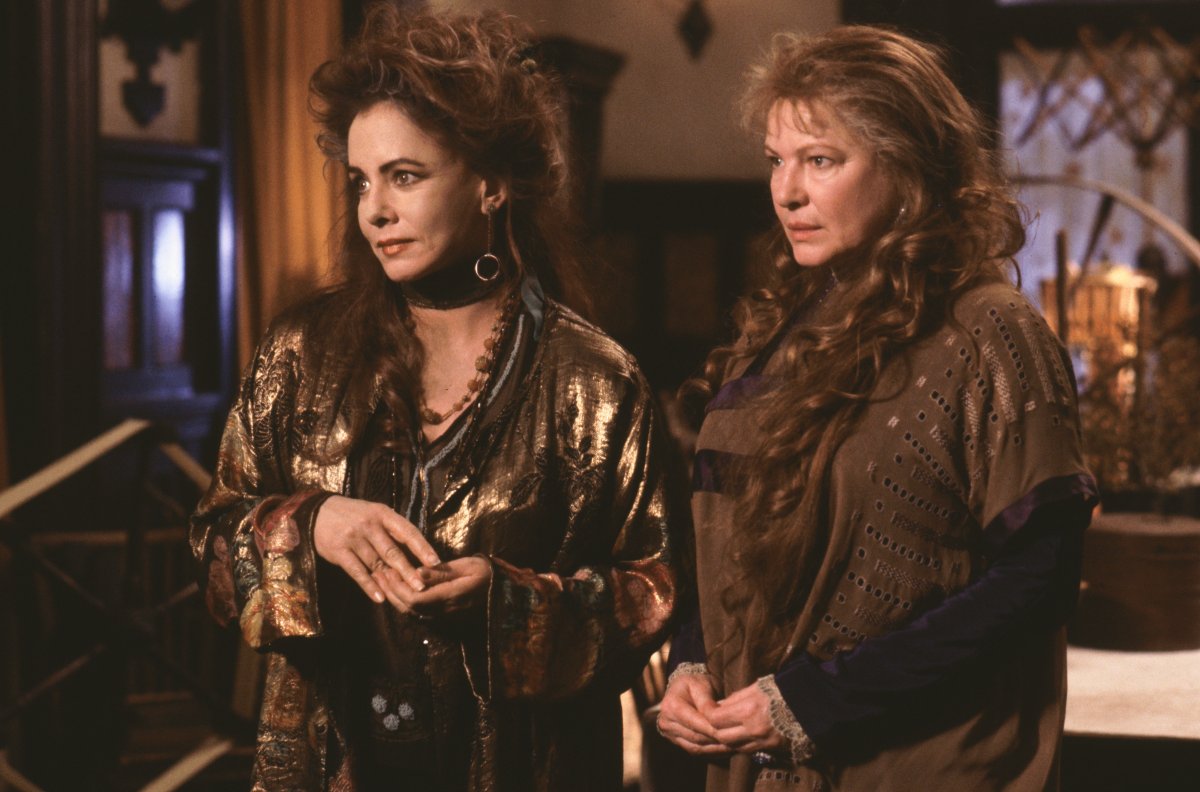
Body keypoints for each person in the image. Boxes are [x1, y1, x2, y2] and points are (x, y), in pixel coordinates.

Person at [190, 7, 684, 790]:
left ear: (491, 184)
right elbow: (215, 547)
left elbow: (655, 595)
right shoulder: (300, 352)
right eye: (361, 181)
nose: (374, 210)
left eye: (405, 176)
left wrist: (511, 606)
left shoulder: (593, 382)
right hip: (330, 762)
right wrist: (310, 525)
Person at [656, 25, 1097, 792]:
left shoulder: (991, 331)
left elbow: (1039, 578)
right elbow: (725, 545)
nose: (787, 192)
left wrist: (818, 699)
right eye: (776, 160)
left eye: (821, 160)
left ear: (907, 167)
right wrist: (692, 661)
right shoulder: (778, 338)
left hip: (920, 766)